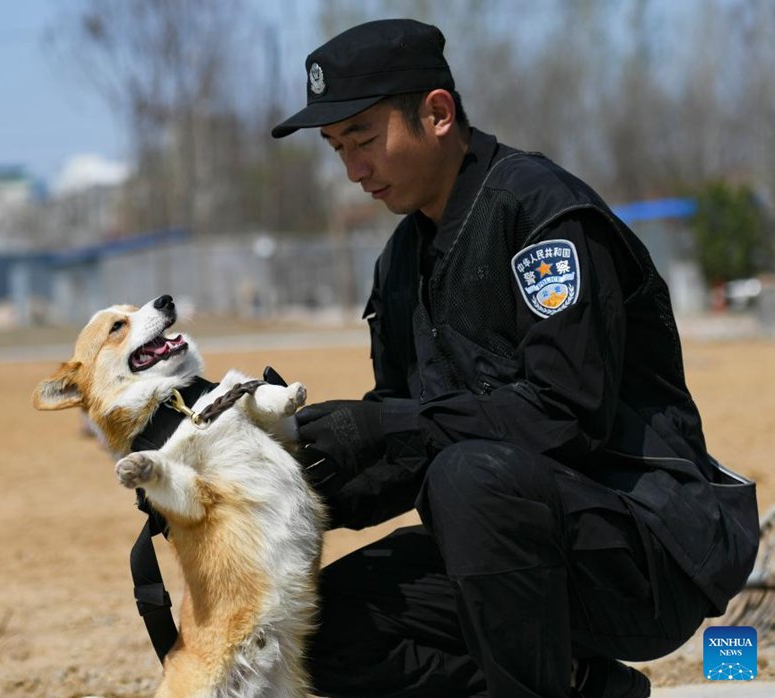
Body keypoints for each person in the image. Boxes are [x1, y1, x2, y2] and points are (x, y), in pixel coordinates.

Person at [271, 18, 760, 698]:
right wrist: (271, 484)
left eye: (363, 139)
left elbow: (566, 417)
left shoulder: (539, 214)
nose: (354, 171)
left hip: (647, 549)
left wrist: (391, 428)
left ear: (437, 113)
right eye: (336, 148)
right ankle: (584, 686)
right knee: (316, 632)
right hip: (511, 550)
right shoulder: (401, 261)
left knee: (469, 475)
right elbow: (409, 443)